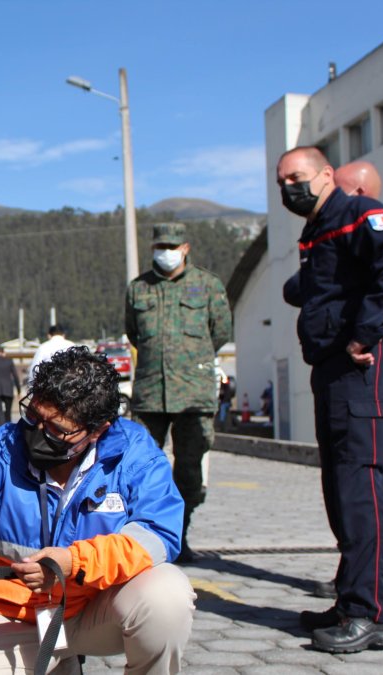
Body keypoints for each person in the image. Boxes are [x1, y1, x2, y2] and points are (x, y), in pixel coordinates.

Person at [0, 346, 195, 674]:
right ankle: (58, 663)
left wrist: (73, 563)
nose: (38, 434)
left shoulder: (135, 455)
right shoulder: (1, 448)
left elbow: (157, 533)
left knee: (166, 595)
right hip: (13, 613)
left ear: (98, 430)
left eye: (57, 430)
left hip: (93, 611)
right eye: (33, 416)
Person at [276, 145, 383, 653]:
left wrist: (365, 332)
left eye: (297, 176)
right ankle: (352, 597)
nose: (289, 187)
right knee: (340, 489)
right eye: (281, 181)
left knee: (362, 489)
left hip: (364, 369)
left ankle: (372, 612)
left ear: (327, 175)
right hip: (333, 368)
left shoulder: (359, 214)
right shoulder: (316, 232)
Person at [125, 222, 232, 565]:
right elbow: (133, 334)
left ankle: (179, 536)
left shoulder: (208, 285)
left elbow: (221, 332)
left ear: (185, 247)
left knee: (188, 470)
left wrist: (190, 361)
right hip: (151, 394)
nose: (165, 252)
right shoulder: (138, 288)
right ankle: (143, 538)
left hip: (193, 394)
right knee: (139, 467)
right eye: (160, 246)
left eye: (172, 246)